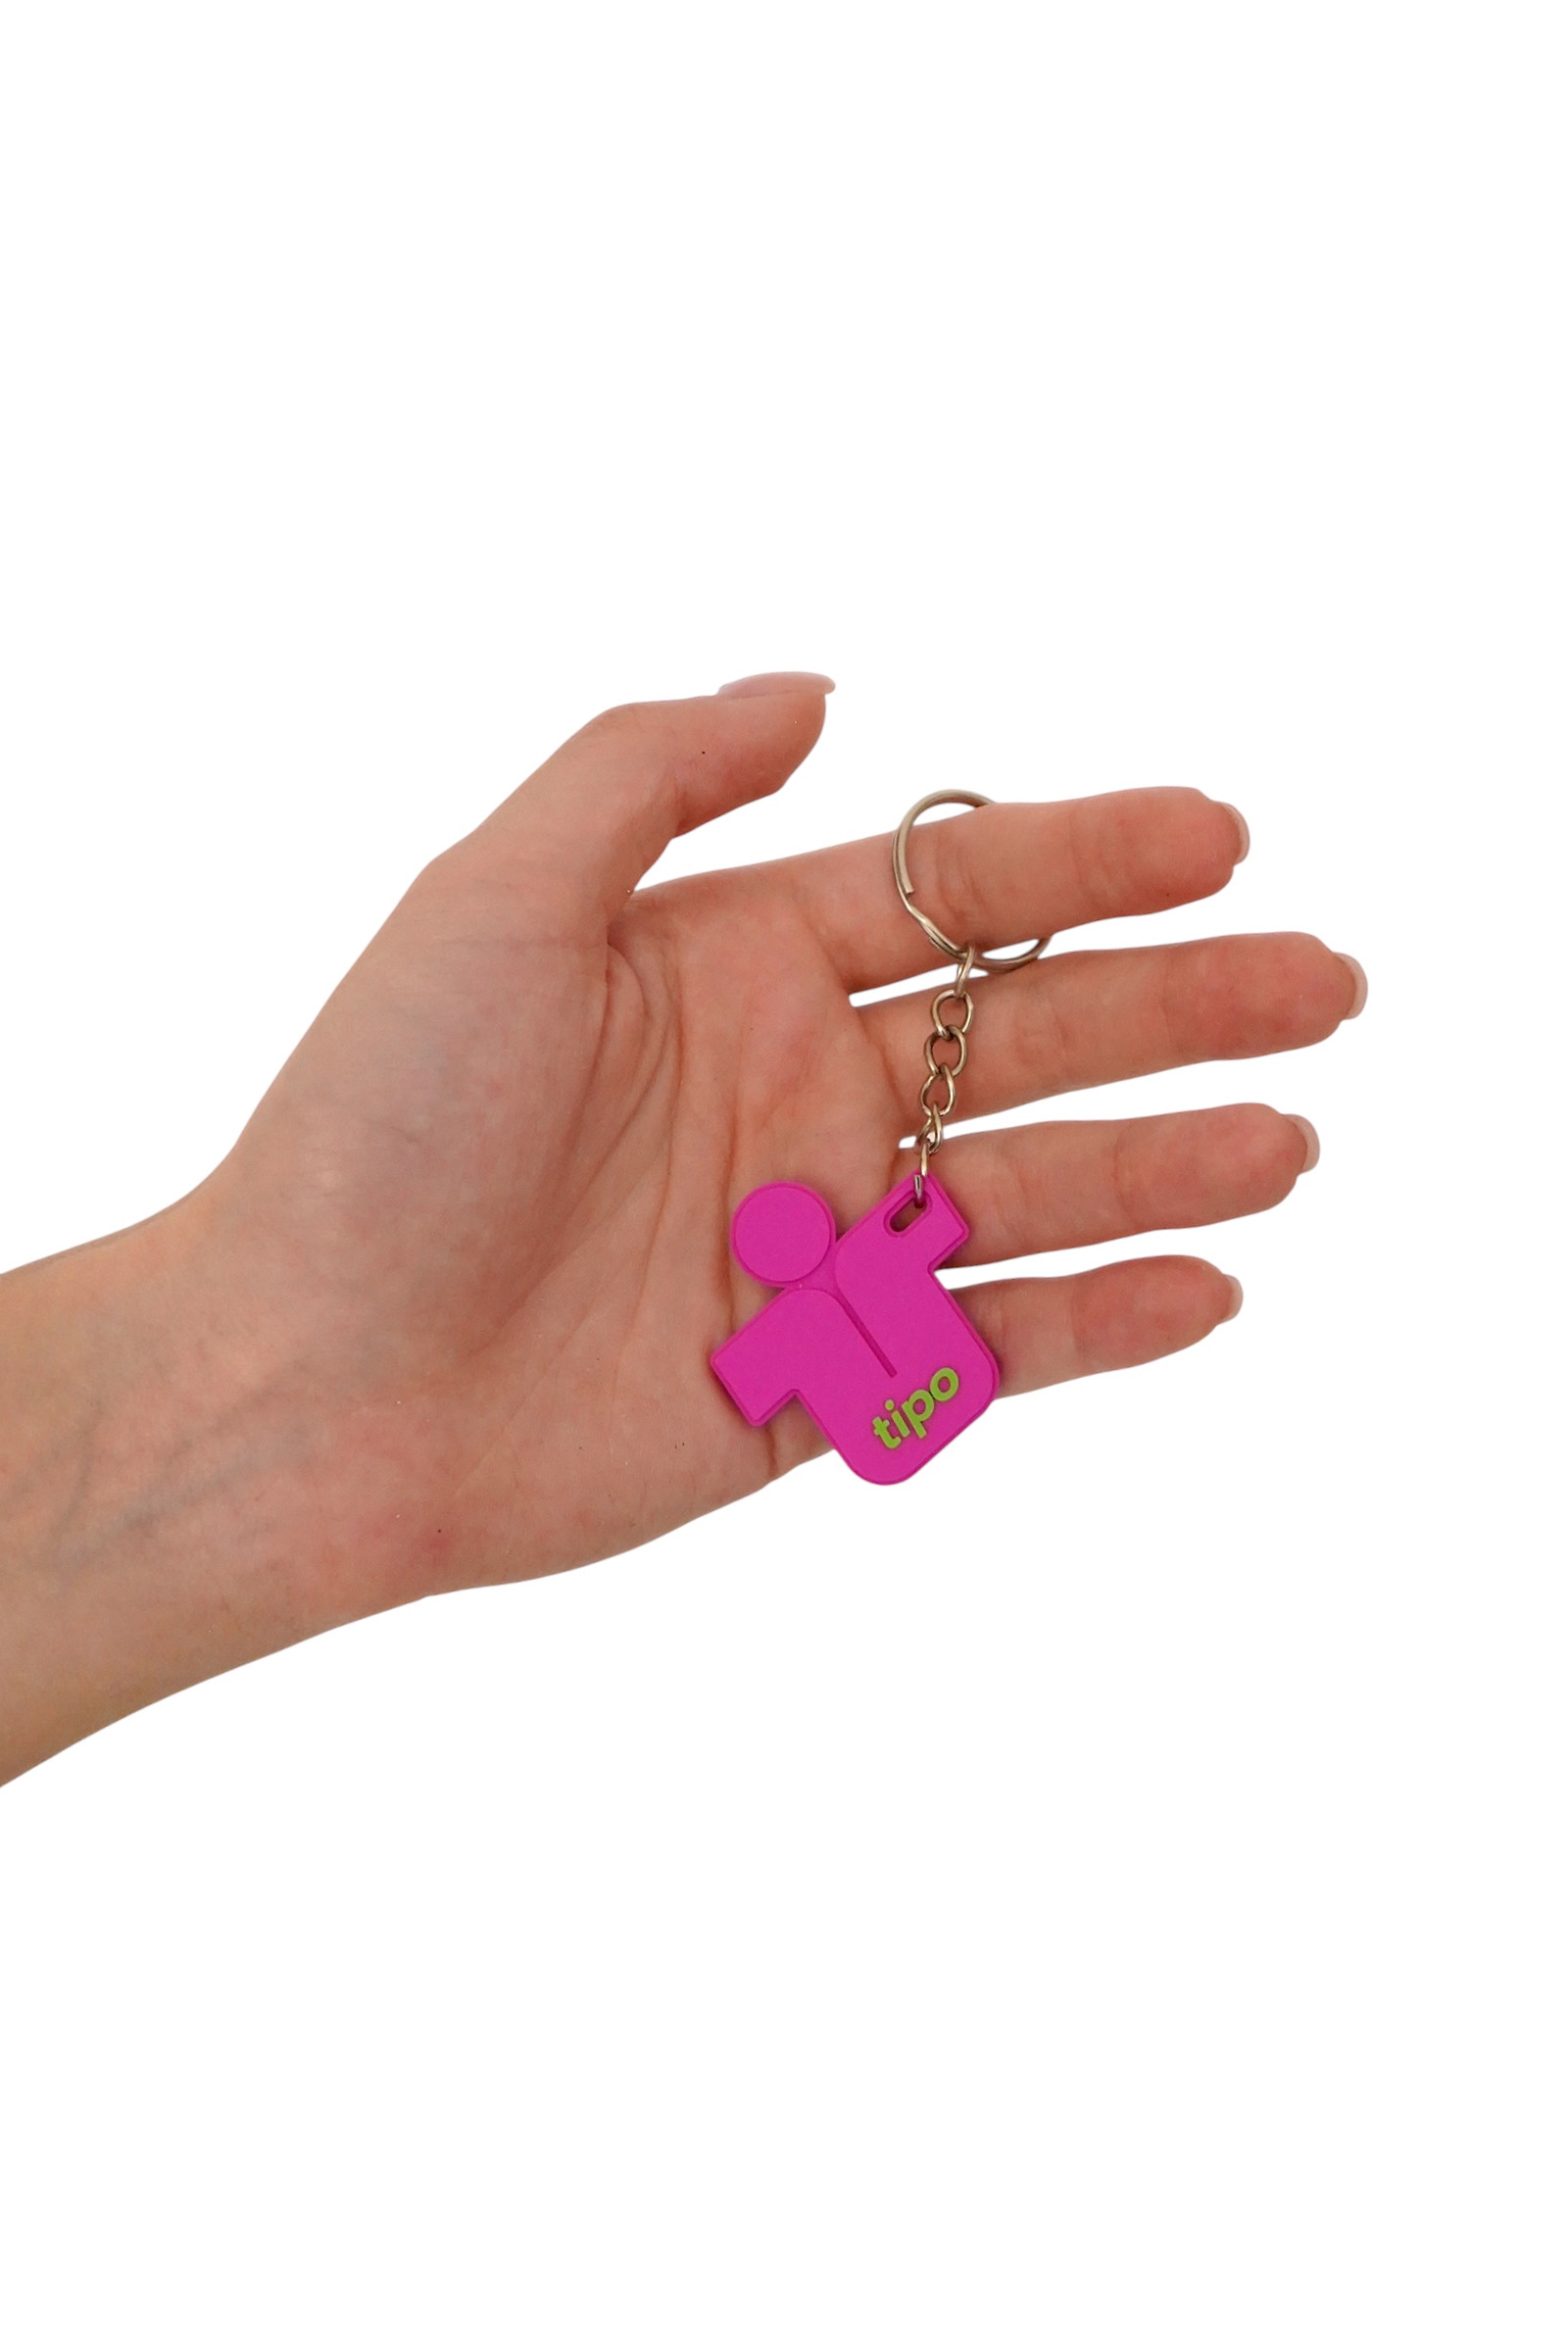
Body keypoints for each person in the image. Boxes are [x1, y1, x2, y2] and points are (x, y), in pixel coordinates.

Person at [0, 674, 1365, 1781]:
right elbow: (885, 1252)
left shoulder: (817, 1301)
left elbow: (833, 1299)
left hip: (912, 1391)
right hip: (915, 1388)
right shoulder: (850, 1272)